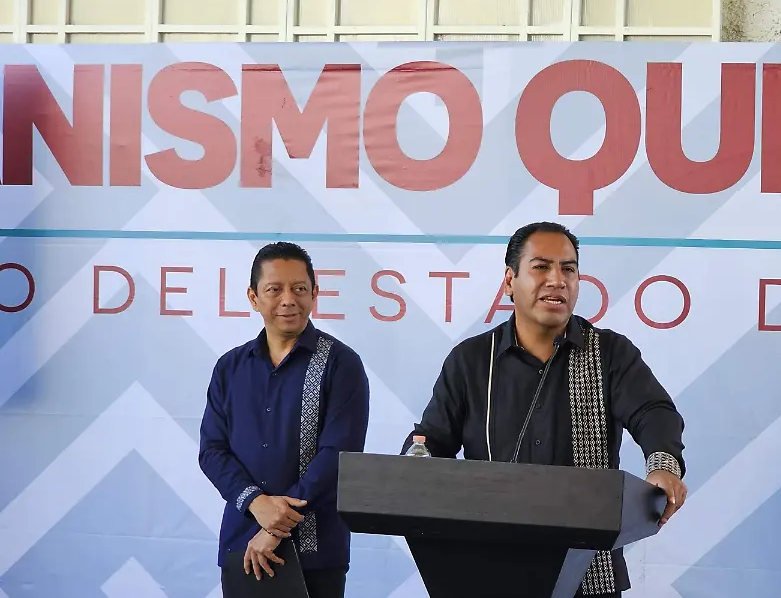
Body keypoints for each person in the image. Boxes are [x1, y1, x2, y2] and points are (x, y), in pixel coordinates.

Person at [402, 221, 687, 598]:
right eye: (541, 267)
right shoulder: (471, 361)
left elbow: (654, 412)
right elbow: (431, 441)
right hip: (488, 566)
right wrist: (411, 468)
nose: (557, 280)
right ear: (510, 281)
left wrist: (663, 466)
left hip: (588, 571)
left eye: (569, 269)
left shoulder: (610, 353)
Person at [199, 242, 370, 598]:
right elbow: (212, 451)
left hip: (316, 551)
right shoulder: (230, 367)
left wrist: (276, 527)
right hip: (243, 544)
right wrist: (255, 502)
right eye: (274, 289)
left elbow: (338, 456)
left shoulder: (341, 364)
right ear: (253, 297)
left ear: (315, 293)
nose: (288, 300)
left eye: (299, 288)